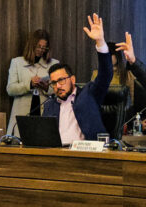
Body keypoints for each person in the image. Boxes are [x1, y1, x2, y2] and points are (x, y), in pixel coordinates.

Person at [42, 13, 113, 145]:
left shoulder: (89, 94)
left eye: (61, 80)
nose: (58, 86)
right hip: (57, 155)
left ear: (73, 79)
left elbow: (106, 74)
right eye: (54, 83)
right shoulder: (49, 106)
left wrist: (100, 42)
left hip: (85, 155)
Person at [6, 29, 59, 137]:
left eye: (44, 47)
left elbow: (60, 90)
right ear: (31, 45)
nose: (41, 50)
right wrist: (29, 84)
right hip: (21, 114)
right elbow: (10, 89)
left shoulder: (54, 64)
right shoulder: (17, 62)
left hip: (45, 114)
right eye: (38, 46)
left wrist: (46, 88)